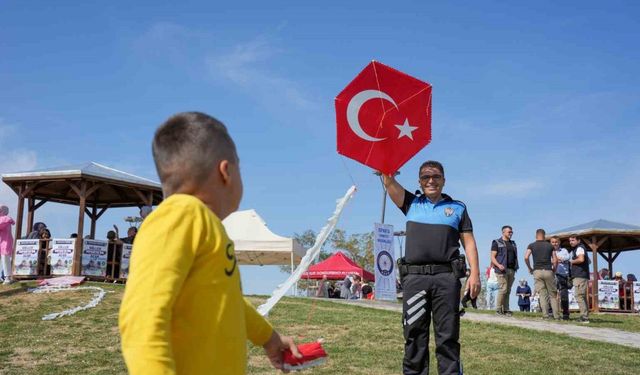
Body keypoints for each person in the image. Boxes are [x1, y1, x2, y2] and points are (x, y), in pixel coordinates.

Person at [119, 112, 300, 374]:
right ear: (225, 171)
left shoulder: (207, 226)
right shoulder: (179, 216)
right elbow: (142, 318)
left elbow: (231, 302)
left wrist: (269, 339)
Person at [383, 160, 480, 375]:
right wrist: (386, 167)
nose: (431, 181)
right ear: (419, 181)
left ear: (443, 180)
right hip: (415, 280)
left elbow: (469, 242)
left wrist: (475, 274)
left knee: (448, 336)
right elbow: (389, 184)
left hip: (447, 279)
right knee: (414, 335)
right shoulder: (411, 203)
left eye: (435, 176)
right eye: (426, 177)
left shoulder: (458, 208)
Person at [525, 229, 559, 319]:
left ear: (536, 235)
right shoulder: (549, 246)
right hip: (548, 271)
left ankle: (545, 315)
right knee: (553, 294)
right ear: (544, 236)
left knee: (542, 294)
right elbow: (555, 260)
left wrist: (530, 268)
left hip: (537, 271)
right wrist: (554, 269)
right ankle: (557, 316)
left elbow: (526, 257)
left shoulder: (531, 245)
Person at [491, 225, 518, 316]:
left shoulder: (513, 243)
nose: (511, 233)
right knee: (503, 289)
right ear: (503, 232)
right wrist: (498, 265)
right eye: (509, 232)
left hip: (511, 269)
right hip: (501, 270)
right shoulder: (496, 242)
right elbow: (492, 257)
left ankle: (506, 309)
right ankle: (498, 309)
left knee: (508, 290)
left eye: (511, 232)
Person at [569, 235, 590, 323]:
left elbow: (581, 259)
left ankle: (584, 317)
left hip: (580, 275)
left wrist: (571, 261)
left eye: (573, 240)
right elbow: (588, 261)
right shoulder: (580, 248)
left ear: (578, 240)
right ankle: (585, 315)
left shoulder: (580, 248)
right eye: (570, 241)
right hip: (582, 275)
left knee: (579, 295)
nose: (571, 242)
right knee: (582, 296)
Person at [552, 236, 571, 320]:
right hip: (552, 274)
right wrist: (559, 260)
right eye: (553, 242)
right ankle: (551, 312)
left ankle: (565, 313)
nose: (554, 243)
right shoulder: (549, 251)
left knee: (564, 295)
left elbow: (567, 258)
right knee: (552, 294)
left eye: (556, 242)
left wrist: (556, 259)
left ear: (559, 242)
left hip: (562, 275)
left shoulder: (564, 250)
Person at [0, 205, 15, 284]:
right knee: (5, 260)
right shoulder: (5, 219)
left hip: (5, 242)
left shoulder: (4, 219)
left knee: (5, 260)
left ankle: (8, 277)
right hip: (3, 241)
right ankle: (7, 277)